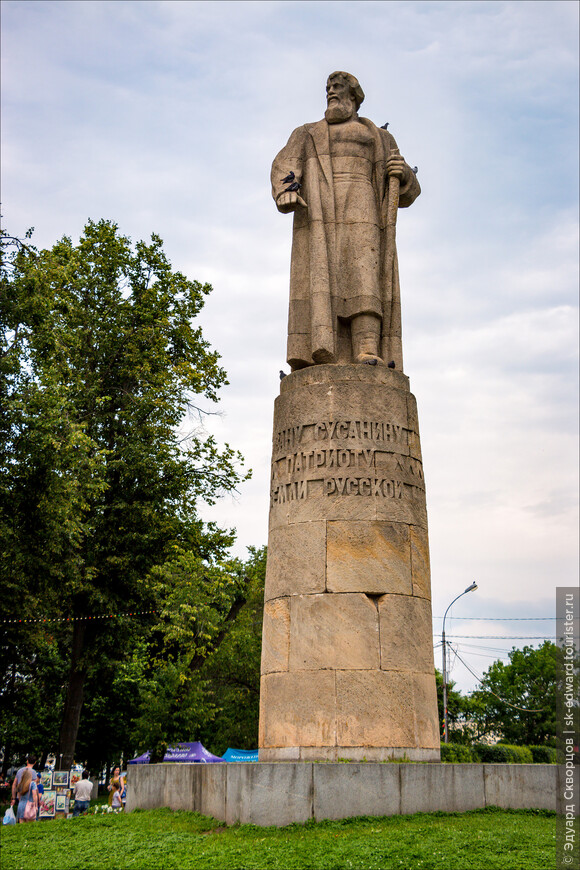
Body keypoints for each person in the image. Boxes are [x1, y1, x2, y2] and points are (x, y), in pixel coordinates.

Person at [271, 71, 420, 371]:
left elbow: (409, 189)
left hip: (363, 209)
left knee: (365, 276)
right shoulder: (307, 133)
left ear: (354, 96)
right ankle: (322, 347)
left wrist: (404, 173)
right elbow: (284, 165)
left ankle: (367, 347)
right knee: (322, 282)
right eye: (328, 88)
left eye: (338, 88)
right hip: (320, 214)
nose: (331, 92)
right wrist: (286, 191)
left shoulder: (379, 136)